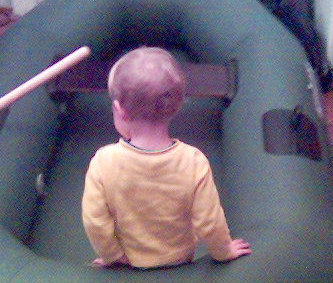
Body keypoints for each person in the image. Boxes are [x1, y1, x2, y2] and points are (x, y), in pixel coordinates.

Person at [82, 46, 251, 268]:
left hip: (128, 260)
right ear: (177, 106)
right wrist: (224, 251)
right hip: (178, 259)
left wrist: (112, 255)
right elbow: (208, 221)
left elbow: (95, 221)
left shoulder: (103, 162)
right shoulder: (193, 162)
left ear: (118, 109)